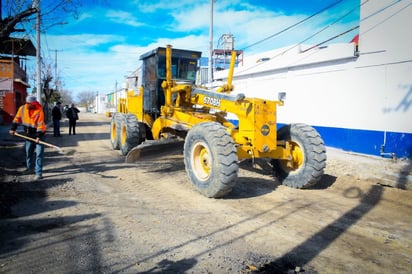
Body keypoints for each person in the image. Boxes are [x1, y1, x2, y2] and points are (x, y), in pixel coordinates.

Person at [9, 95, 47, 180]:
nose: (34, 105)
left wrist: (38, 136)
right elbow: (16, 119)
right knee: (28, 153)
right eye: (32, 104)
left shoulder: (39, 110)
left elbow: (40, 125)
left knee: (39, 154)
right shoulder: (22, 109)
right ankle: (30, 169)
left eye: (34, 103)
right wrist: (13, 128)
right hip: (29, 135)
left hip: (39, 135)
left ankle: (38, 173)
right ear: (28, 103)